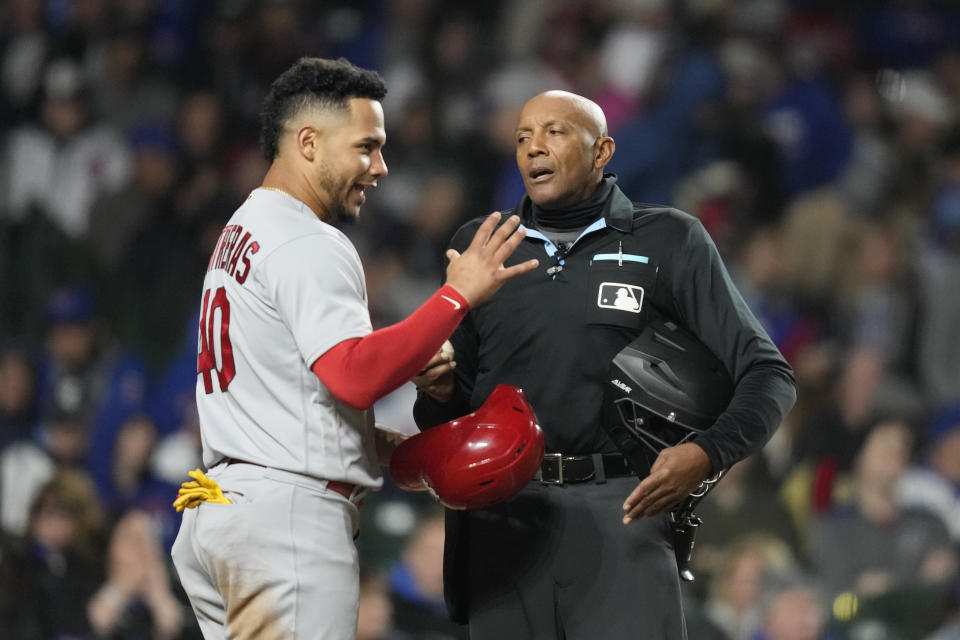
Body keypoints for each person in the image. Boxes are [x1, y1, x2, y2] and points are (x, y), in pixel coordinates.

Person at [169, 57, 538, 640]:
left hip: (227, 506)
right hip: (286, 521)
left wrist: (401, 451)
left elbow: (303, 397)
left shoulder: (245, 226)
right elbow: (353, 375)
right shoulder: (306, 238)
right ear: (308, 142)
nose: (380, 167)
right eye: (366, 147)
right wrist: (456, 296)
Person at [412, 90, 797, 639]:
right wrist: (440, 387)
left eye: (554, 132)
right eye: (522, 137)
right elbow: (444, 415)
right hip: (502, 518)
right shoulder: (482, 246)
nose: (533, 148)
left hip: (622, 510)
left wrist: (707, 452)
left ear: (602, 151)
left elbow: (769, 375)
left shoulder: (669, 240)